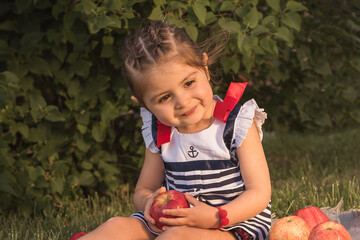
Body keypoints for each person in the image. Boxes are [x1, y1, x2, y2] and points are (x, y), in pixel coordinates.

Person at [75, 20, 271, 240]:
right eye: (165, 97)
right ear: (143, 104)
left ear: (204, 68)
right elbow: (143, 190)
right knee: (115, 226)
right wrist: (148, 202)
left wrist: (217, 216)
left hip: (232, 226)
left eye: (188, 83)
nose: (183, 101)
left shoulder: (237, 123)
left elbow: (259, 192)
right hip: (172, 224)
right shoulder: (161, 133)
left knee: (175, 238)